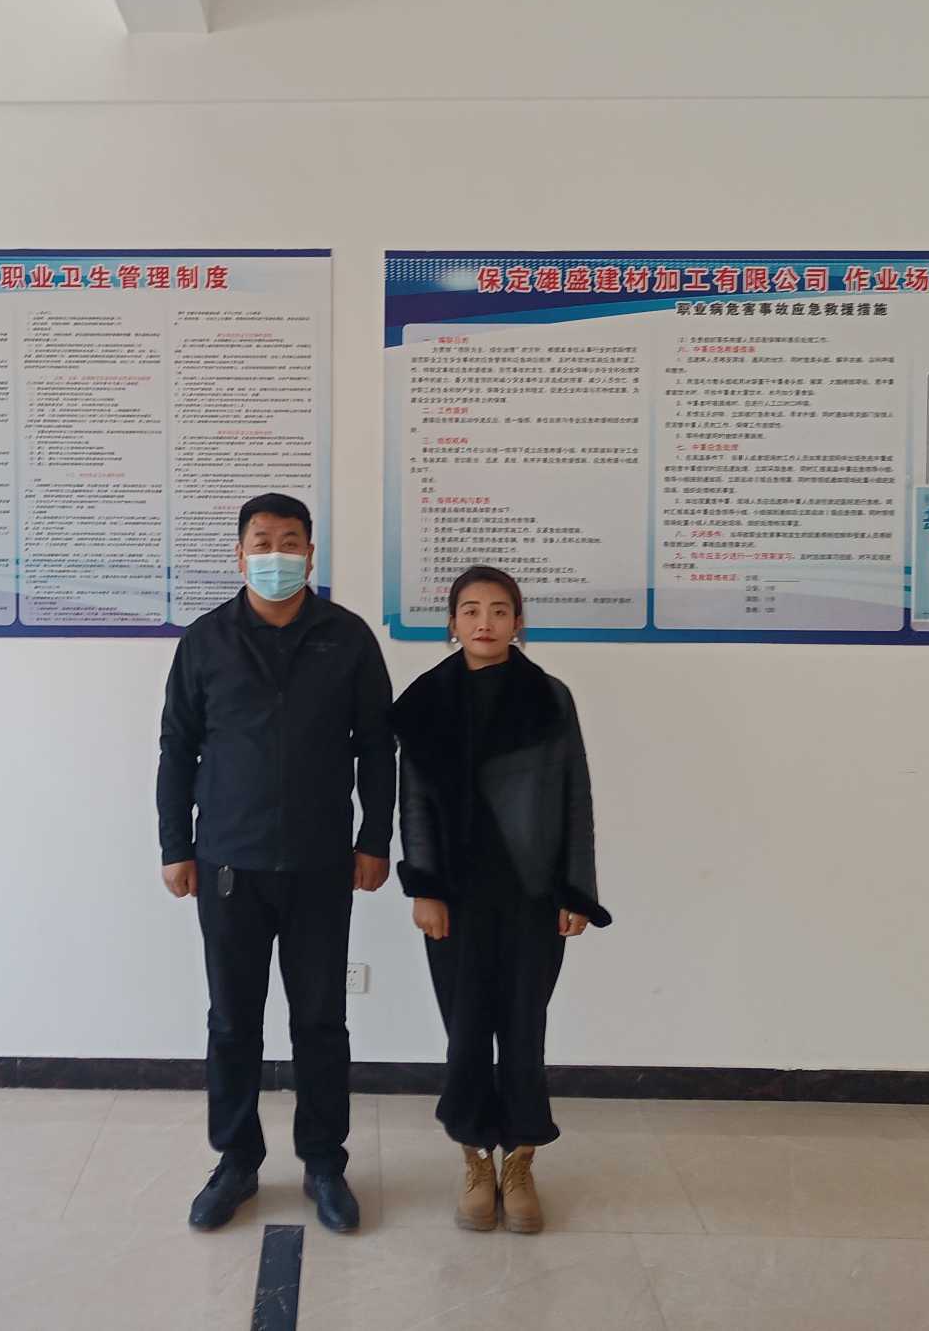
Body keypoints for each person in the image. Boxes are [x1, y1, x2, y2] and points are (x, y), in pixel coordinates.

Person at [156, 493, 395, 1234]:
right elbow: (177, 749)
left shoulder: (346, 638)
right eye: (262, 541)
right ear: (239, 555)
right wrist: (175, 846)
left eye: (290, 541)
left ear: (311, 555)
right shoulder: (205, 641)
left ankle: (324, 1161)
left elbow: (376, 747)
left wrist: (375, 839)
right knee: (233, 1021)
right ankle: (236, 1161)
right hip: (228, 862)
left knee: (320, 1020)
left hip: (322, 862)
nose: (276, 554)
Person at [393, 565, 610, 1234]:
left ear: (519, 622)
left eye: (498, 610)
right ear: (451, 623)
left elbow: (575, 797)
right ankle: (474, 1160)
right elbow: (413, 805)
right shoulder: (425, 699)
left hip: (532, 894)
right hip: (455, 899)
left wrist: (576, 889)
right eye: (470, 610)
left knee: (522, 1029)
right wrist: (424, 888)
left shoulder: (549, 697)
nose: (484, 622)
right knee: (465, 1031)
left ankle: (519, 1161)